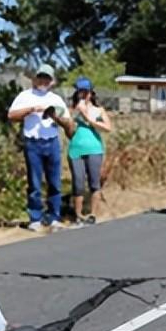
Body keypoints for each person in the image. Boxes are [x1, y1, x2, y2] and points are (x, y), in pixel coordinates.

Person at [7, 64, 76, 231]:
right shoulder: (25, 96)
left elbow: (69, 125)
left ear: (52, 81)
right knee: (35, 182)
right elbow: (11, 115)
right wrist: (31, 109)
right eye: (41, 77)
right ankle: (35, 218)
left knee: (54, 182)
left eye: (47, 78)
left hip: (51, 141)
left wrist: (57, 118)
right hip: (33, 142)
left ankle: (54, 217)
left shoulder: (56, 99)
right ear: (35, 78)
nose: (43, 81)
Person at [67, 76, 112, 225]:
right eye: (80, 92)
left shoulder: (98, 110)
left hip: (94, 149)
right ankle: (78, 215)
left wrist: (88, 117)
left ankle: (93, 214)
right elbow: (67, 125)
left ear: (91, 93)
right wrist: (76, 111)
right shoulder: (73, 110)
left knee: (94, 183)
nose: (83, 95)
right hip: (76, 149)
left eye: (86, 92)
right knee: (78, 183)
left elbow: (108, 127)